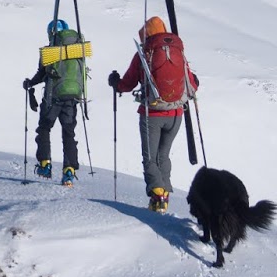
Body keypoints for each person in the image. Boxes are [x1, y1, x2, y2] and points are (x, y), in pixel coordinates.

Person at [107, 16, 198, 212]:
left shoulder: (144, 54)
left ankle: (157, 195)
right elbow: (191, 83)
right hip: (176, 114)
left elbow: (127, 83)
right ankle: (164, 195)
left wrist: (115, 82)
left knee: (149, 157)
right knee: (163, 156)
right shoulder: (177, 51)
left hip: (152, 114)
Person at [23, 18, 86, 185]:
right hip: (72, 97)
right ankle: (69, 171)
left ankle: (45, 164)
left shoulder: (49, 51)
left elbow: (42, 74)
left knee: (44, 128)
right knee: (69, 133)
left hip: (53, 96)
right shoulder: (77, 49)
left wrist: (30, 83)